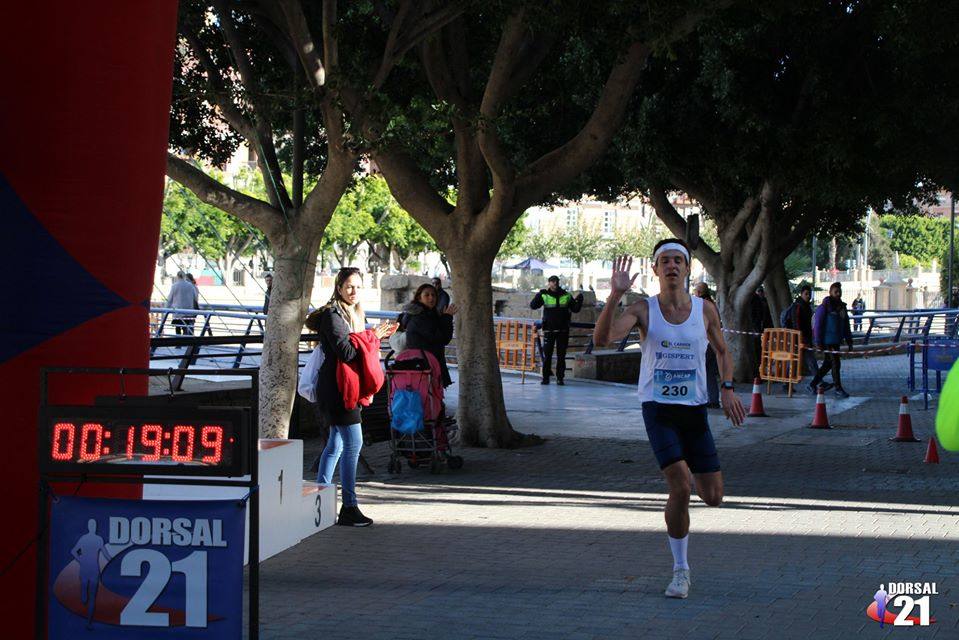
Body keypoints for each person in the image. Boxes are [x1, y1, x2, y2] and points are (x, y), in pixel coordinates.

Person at [593, 240, 746, 599]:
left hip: (694, 410)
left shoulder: (705, 309)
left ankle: (687, 498)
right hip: (658, 409)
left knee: (713, 496)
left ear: (689, 268)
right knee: (680, 485)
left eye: (679, 260)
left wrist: (726, 388)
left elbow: (723, 352)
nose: (672, 266)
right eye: (665, 261)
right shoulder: (643, 309)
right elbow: (603, 339)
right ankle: (681, 571)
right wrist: (615, 295)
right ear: (655, 269)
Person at [305, 267, 394, 527]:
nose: (353, 291)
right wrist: (372, 336)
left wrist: (373, 336)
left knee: (336, 445)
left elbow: (354, 347)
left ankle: (318, 500)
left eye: (357, 286)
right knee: (353, 444)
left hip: (345, 388)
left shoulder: (353, 314)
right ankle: (349, 508)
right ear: (339, 288)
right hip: (337, 390)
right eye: (349, 286)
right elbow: (346, 351)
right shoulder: (333, 315)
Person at [399, 283, 458, 387]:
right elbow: (442, 338)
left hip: (425, 363)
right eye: (427, 295)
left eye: (433, 295)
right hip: (424, 366)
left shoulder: (429, 314)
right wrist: (447, 317)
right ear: (419, 298)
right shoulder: (419, 317)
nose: (431, 298)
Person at [530, 275, 584, 385]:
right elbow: (533, 306)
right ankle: (545, 378)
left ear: (558, 283)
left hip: (563, 331)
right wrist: (538, 295)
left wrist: (580, 299)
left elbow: (576, 309)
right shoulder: (544, 295)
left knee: (561, 356)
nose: (555, 283)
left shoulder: (566, 295)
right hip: (549, 331)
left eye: (556, 281)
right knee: (547, 356)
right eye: (552, 281)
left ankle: (560, 378)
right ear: (549, 283)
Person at [811, 282, 853, 398]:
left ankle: (813, 384)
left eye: (839, 292)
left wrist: (849, 341)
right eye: (836, 292)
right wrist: (818, 342)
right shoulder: (824, 307)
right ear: (830, 292)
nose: (838, 294)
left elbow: (846, 324)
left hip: (836, 341)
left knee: (828, 364)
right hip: (827, 342)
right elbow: (818, 325)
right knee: (835, 364)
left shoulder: (842, 307)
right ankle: (838, 388)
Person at [71, 519, 112, 628]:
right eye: (92, 525)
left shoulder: (88, 539)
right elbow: (74, 551)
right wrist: (81, 559)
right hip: (91, 568)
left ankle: (88, 622)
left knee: (91, 597)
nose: (93, 527)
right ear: (91, 527)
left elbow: (75, 551)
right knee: (90, 597)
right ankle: (84, 593)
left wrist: (81, 558)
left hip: (89, 568)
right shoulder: (94, 539)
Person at [790, 285, 828, 392]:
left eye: (809, 294)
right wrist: (800, 338)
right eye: (806, 294)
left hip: (805, 337)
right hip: (799, 338)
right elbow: (796, 323)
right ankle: (818, 381)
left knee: (807, 360)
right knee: (797, 361)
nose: (808, 296)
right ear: (801, 294)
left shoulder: (806, 306)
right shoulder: (798, 306)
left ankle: (818, 381)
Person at [693, 283, 720, 408]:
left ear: (699, 292)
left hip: (705, 343)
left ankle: (701, 397)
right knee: (710, 373)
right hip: (714, 343)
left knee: (700, 371)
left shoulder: (701, 305)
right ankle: (713, 399)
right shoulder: (712, 304)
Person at [749, 286, 773, 377]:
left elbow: (759, 316)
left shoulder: (759, 301)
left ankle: (759, 372)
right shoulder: (760, 301)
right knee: (760, 351)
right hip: (759, 329)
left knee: (759, 351)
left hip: (758, 329)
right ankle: (760, 371)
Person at [165, 271, 198, 335]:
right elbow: (195, 297)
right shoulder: (190, 285)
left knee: (178, 329)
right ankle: (185, 342)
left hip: (177, 313)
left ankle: (178, 343)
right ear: (184, 276)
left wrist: (166, 309)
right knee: (186, 329)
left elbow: (169, 300)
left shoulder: (174, 286)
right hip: (188, 313)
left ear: (177, 277)